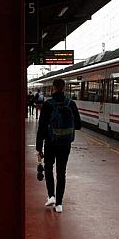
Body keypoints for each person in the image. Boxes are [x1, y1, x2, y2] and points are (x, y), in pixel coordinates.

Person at [36, 78, 82, 213]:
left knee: (49, 169)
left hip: (50, 143)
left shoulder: (48, 104)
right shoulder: (71, 103)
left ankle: (51, 196)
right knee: (61, 172)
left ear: (53, 88)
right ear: (64, 88)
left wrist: (39, 146)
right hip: (65, 144)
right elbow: (78, 125)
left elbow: (42, 127)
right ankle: (59, 204)